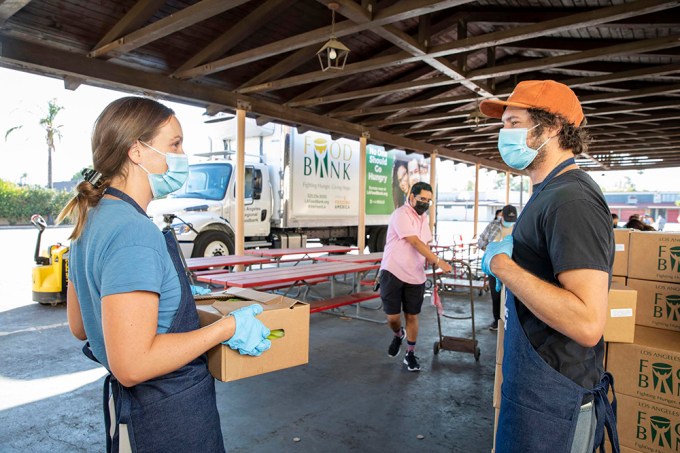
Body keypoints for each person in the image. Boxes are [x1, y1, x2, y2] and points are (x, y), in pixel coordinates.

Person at [57, 97, 271, 452]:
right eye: (174, 143)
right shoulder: (133, 231)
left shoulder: (90, 221)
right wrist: (226, 328)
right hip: (168, 421)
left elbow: (82, 327)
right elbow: (132, 364)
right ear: (137, 151)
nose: (182, 153)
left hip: (131, 419)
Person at [479, 80, 618, 452]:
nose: (503, 133)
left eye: (513, 122)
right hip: (532, 392)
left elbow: (587, 323)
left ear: (553, 126)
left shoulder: (571, 200)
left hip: (555, 400)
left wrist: (502, 264)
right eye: (503, 124)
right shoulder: (546, 192)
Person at [379, 181, 453, 372]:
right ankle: (398, 334)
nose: (425, 203)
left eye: (429, 200)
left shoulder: (424, 218)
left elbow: (425, 243)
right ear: (411, 197)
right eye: (422, 199)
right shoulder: (401, 214)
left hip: (416, 275)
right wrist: (438, 261)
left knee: (412, 316)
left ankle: (410, 354)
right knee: (392, 317)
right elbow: (413, 241)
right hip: (393, 271)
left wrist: (428, 261)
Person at [477, 205, 517, 331]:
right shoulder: (493, 225)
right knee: (496, 294)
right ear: (502, 216)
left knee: (512, 295)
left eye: (512, 220)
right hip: (494, 266)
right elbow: (481, 241)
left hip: (512, 266)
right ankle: (497, 320)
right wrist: (489, 251)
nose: (510, 223)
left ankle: (510, 322)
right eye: (508, 219)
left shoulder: (518, 226)